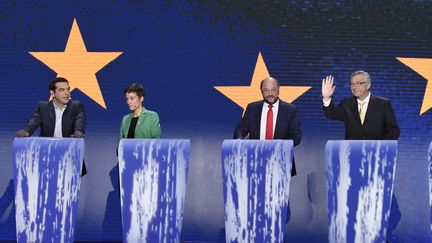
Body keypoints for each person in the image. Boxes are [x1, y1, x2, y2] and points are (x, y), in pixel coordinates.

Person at [321, 70, 401, 239]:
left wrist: (378, 147)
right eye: (352, 84)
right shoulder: (347, 104)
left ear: (368, 85)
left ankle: (381, 235)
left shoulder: (382, 104)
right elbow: (332, 114)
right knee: (354, 205)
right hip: (353, 164)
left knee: (387, 207)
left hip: (376, 164)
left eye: (359, 83)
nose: (355, 87)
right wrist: (327, 99)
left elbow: (394, 129)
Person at [16, 77, 87, 175]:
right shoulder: (43, 107)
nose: (67, 93)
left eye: (68, 89)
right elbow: (33, 121)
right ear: (52, 93)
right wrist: (26, 131)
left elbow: (80, 121)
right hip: (47, 156)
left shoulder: (76, 106)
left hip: (69, 156)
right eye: (62, 90)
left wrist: (78, 132)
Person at [234, 77, 302, 175]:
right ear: (261, 91)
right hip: (255, 159)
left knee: (278, 190)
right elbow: (241, 128)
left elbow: (296, 136)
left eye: (273, 90)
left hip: (280, 161)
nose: (270, 94)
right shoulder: (252, 108)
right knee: (255, 190)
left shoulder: (290, 110)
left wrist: (280, 145)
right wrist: (239, 141)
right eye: (266, 90)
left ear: (278, 90)